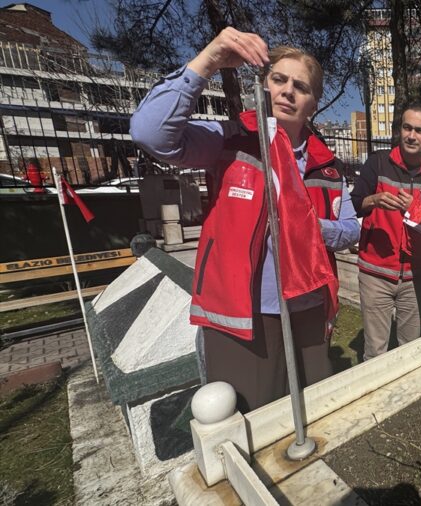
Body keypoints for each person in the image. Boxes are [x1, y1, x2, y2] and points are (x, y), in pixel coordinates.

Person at [130, 28, 360, 413]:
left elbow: (351, 227)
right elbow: (151, 134)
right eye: (279, 79)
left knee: (314, 413)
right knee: (247, 418)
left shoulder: (328, 166)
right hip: (245, 311)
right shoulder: (230, 141)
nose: (288, 91)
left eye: (300, 86)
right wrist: (210, 58)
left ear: (313, 103)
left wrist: (313, 230)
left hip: (307, 307)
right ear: (264, 86)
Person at [350, 103, 421, 361]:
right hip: (376, 274)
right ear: (399, 130)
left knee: (411, 351)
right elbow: (354, 203)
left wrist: (418, 208)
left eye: (420, 130)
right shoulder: (377, 162)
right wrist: (374, 200)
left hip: (414, 277)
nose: (412, 135)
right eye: (407, 128)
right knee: (375, 352)